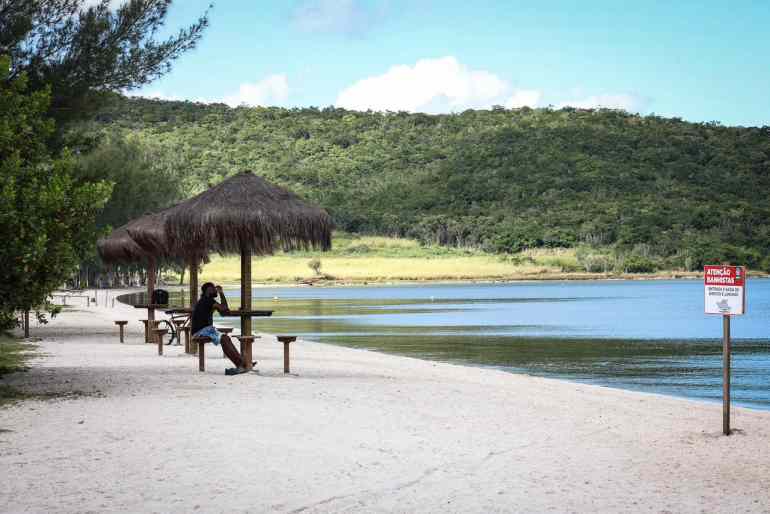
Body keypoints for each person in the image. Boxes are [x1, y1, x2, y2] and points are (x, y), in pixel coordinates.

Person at [191, 282, 248, 375]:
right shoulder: (208, 300)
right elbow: (224, 308)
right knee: (224, 339)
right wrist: (221, 293)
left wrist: (222, 306)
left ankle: (242, 364)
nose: (216, 291)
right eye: (214, 289)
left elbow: (223, 311)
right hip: (201, 331)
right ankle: (241, 365)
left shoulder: (206, 300)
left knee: (225, 338)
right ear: (208, 291)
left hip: (205, 330)